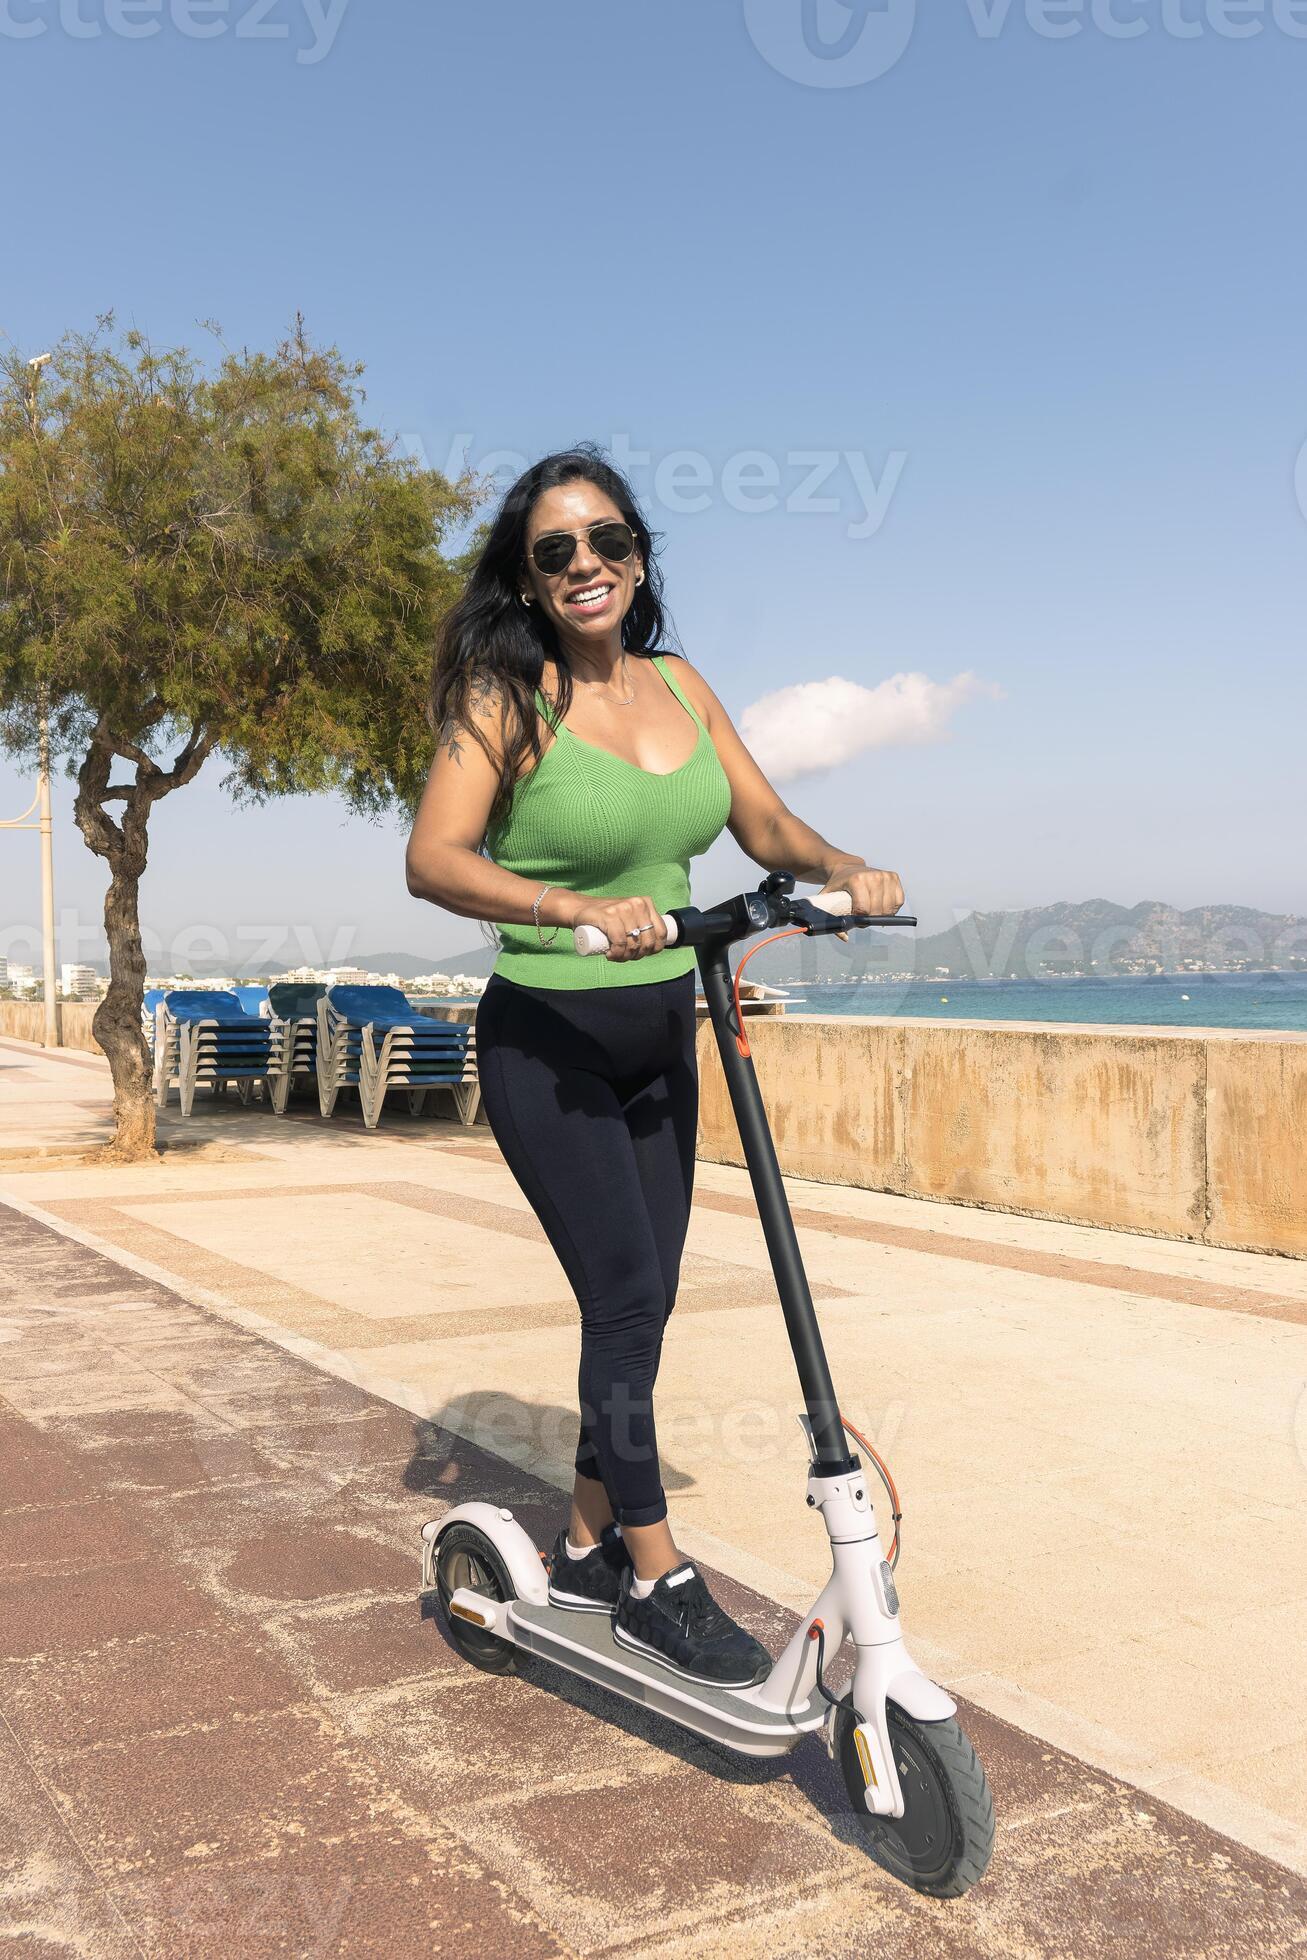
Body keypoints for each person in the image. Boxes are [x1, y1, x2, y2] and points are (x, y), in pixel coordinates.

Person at [405, 445, 903, 1690]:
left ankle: (580, 1545)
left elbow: (766, 825)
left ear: (638, 556)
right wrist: (565, 909)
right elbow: (433, 857)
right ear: (525, 581)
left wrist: (848, 871)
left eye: (607, 541)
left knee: (643, 1306)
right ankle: (655, 1577)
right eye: (555, 551)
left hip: (659, 1037)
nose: (587, 566)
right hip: (548, 1041)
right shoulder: (501, 698)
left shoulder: (678, 685)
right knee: (623, 1295)